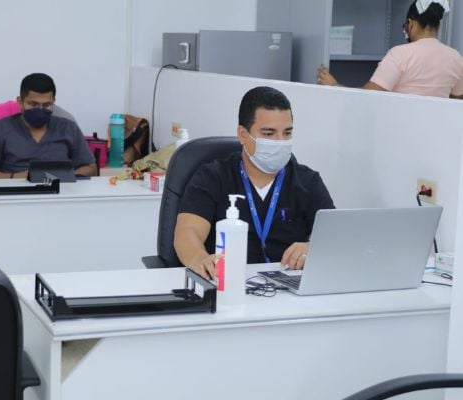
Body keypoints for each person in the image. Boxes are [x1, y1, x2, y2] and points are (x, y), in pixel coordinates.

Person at [173, 86, 335, 279]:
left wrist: (312, 248)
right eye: (269, 134)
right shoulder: (212, 177)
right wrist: (200, 259)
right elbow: (187, 232)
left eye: (287, 132)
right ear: (243, 134)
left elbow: (335, 238)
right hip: (227, 283)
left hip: (288, 290)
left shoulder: (308, 182)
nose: (280, 141)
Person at [317, 0, 463, 99]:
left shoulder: (400, 54)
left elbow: (367, 97)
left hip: (399, 133)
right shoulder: (456, 58)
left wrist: (334, 86)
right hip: (435, 137)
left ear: (411, 24)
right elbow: (456, 101)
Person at [0, 73, 97, 178]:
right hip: (14, 195)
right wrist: (17, 178)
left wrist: (63, 178)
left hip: (59, 195)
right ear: (20, 102)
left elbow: (91, 168)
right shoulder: (0, 128)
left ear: (54, 102)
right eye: (33, 104)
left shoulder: (68, 127)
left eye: (47, 105)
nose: (40, 110)